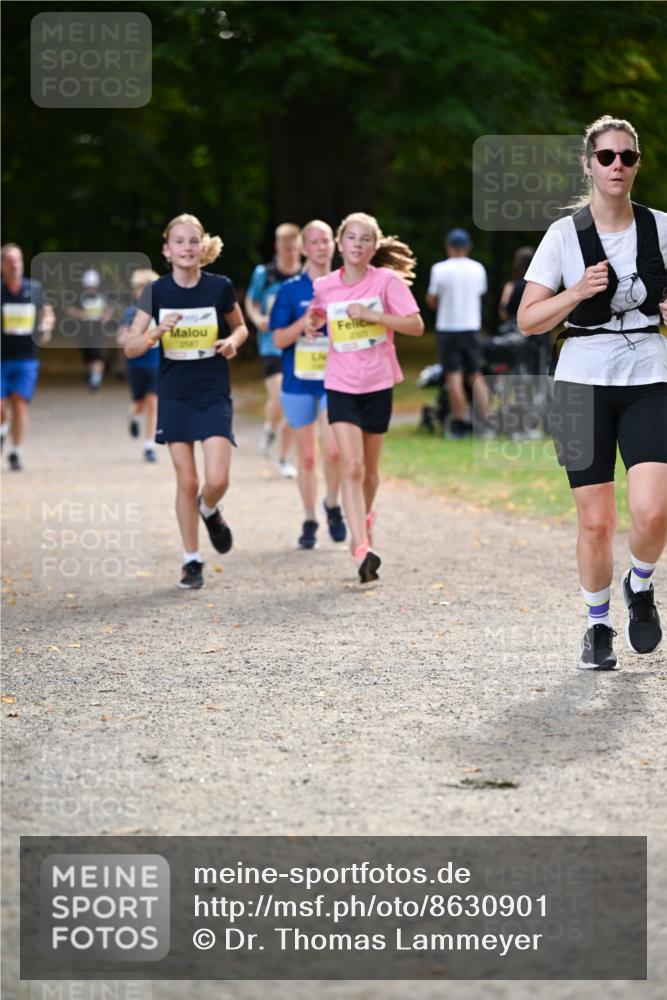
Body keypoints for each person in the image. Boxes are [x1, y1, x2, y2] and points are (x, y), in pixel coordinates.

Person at [518, 114, 667, 670]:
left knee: (653, 513)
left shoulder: (660, 227)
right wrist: (576, 291)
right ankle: (598, 626)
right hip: (580, 381)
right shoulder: (564, 236)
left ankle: (642, 584)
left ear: (637, 164)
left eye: (627, 157)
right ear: (588, 164)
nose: (617, 166)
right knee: (597, 522)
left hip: (650, 375)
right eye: (606, 157)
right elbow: (528, 319)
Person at [123, 213, 248, 590]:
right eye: (179, 241)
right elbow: (130, 347)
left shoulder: (219, 287)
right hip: (175, 394)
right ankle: (191, 560)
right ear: (167, 249)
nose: (187, 248)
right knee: (187, 479)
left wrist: (232, 342)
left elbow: (241, 326)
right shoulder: (156, 292)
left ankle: (209, 510)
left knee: (217, 478)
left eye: (193, 241)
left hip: (212, 391)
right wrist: (155, 332)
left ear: (202, 245)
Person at [306, 212, 424, 583]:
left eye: (365, 240)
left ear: (374, 247)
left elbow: (416, 326)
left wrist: (375, 316)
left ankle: (365, 520)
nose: (358, 245)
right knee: (351, 466)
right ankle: (361, 547)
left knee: (370, 472)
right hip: (340, 383)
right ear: (340, 244)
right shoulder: (325, 285)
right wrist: (313, 321)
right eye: (352, 238)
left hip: (377, 383)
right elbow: (319, 315)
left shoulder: (386, 281)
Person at [271, 220, 346, 549]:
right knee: (308, 456)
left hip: (336, 379)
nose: (320, 246)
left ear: (335, 245)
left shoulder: (347, 285)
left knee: (333, 451)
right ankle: (309, 518)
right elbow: (277, 339)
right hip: (298, 381)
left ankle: (332, 504)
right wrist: (305, 323)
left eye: (326, 240)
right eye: (313, 241)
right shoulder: (290, 290)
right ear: (302, 248)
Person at [245, 223, 300, 478]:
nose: (290, 250)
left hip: (300, 347)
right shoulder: (264, 274)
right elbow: (251, 301)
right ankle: (271, 429)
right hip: (270, 346)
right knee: (282, 399)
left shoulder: (306, 275)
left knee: (288, 402)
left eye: (294, 244)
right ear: (277, 245)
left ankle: (284, 456)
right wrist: (257, 320)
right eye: (285, 245)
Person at [425, 228, 491, 437]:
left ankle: (461, 421)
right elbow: (480, 294)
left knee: (453, 376)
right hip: (471, 327)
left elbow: (432, 299)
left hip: (448, 328)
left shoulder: (439, 269)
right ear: (468, 246)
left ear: (448, 247)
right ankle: (487, 420)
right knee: (475, 375)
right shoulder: (478, 269)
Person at [1, 242, 55, 470]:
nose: (14, 264)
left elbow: (47, 312)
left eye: (18, 260)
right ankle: (3, 428)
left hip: (26, 359)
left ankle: (16, 451)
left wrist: (46, 326)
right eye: (10, 260)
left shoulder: (34, 288)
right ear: (2, 265)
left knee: (20, 404)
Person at [117, 268, 160, 463]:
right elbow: (121, 337)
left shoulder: (161, 312)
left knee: (153, 402)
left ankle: (149, 445)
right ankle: (133, 415)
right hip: (136, 363)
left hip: (156, 362)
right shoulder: (130, 313)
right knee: (140, 401)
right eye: (141, 290)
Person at [66, 268, 115, 391]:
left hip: (98, 330)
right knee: (87, 355)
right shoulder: (79, 297)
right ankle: (90, 375)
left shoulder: (102, 296)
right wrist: (81, 314)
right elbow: (69, 310)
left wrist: (106, 317)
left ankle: (95, 381)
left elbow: (110, 308)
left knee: (97, 355)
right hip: (84, 330)